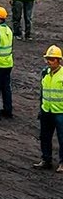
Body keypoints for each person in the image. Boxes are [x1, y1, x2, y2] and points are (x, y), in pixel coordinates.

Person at [34, 45, 63, 173]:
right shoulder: (45, 73)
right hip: (47, 111)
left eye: (52, 59)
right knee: (45, 137)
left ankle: (62, 163)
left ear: (58, 60)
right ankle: (46, 160)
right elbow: (43, 93)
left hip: (60, 112)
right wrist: (41, 109)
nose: (49, 61)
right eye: (48, 59)